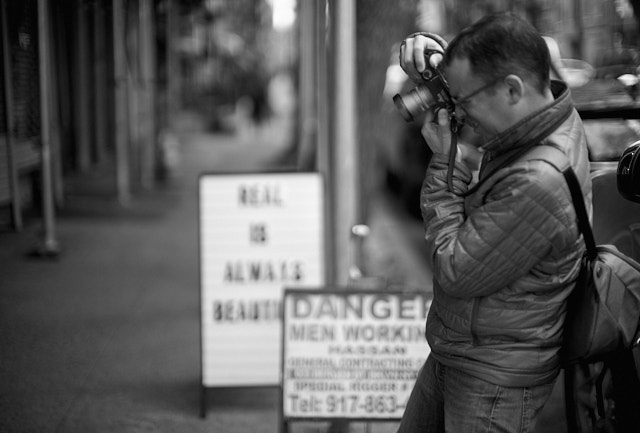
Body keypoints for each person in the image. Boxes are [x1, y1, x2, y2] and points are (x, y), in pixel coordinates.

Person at [396, 13, 591, 433]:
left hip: (491, 383)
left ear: (512, 89)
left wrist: (445, 162)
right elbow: (487, 54)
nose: (459, 111)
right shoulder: (544, 112)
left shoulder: (538, 181)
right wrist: (429, 47)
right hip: (467, 349)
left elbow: (454, 269)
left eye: (465, 101)